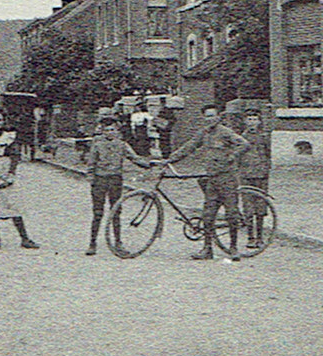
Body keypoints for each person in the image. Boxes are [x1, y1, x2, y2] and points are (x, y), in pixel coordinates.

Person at [164, 103, 250, 259]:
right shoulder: (203, 133)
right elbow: (189, 147)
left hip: (227, 178)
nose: (209, 119)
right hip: (212, 179)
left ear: (218, 117)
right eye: (206, 116)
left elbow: (244, 144)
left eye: (212, 116)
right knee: (208, 215)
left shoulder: (226, 132)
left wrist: (232, 157)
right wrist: (169, 159)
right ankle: (207, 249)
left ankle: (233, 248)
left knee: (231, 214)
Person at [84, 108, 155, 256]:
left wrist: (149, 164)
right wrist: (92, 180)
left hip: (115, 180)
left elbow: (134, 158)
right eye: (107, 130)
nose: (110, 132)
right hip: (100, 180)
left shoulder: (122, 145)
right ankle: (92, 243)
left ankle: (118, 242)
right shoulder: (97, 144)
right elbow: (90, 165)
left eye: (112, 129)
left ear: (117, 130)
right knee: (98, 213)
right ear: (102, 131)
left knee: (116, 212)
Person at [0, 106, 39, 250]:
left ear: (4, 121)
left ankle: (25, 239)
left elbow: (15, 155)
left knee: (14, 204)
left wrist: (11, 173)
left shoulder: (10, 135)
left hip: (6, 166)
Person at [237, 108, 272, 250]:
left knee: (260, 207)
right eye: (249, 119)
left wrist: (266, 169)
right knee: (248, 207)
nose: (252, 122)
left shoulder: (264, 137)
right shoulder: (240, 137)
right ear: (245, 122)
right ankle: (250, 237)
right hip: (245, 174)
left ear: (259, 122)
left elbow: (268, 154)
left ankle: (260, 237)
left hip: (261, 175)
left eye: (255, 119)